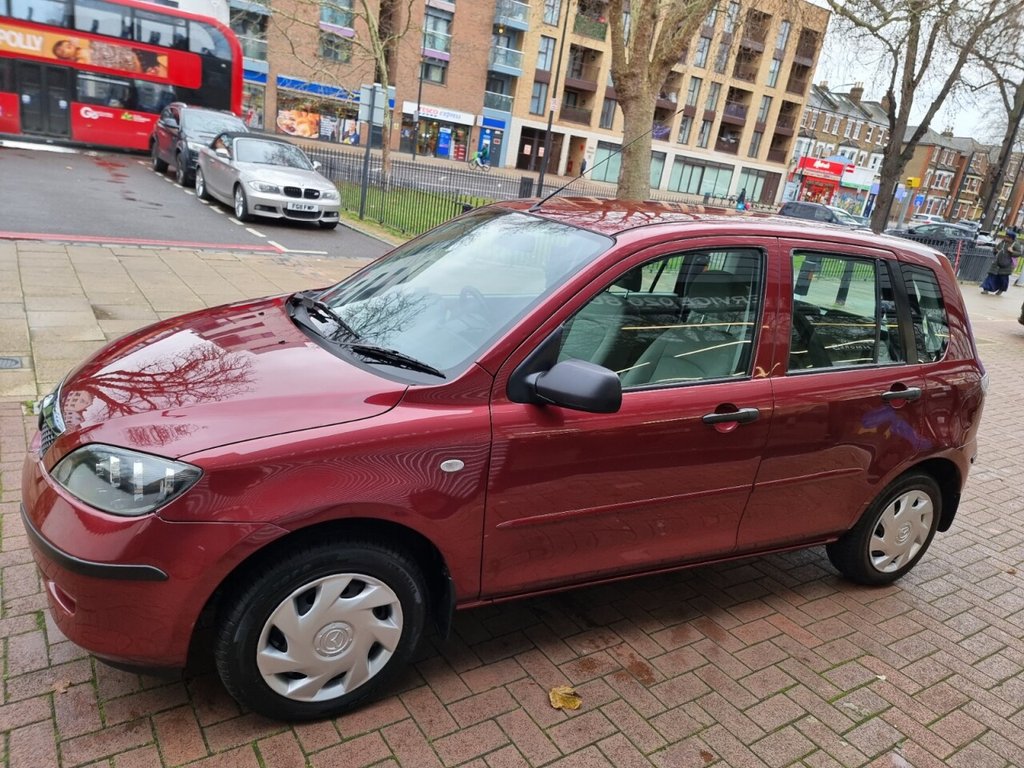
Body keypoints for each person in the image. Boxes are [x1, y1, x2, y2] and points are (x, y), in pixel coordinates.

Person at [980, 230, 1017, 296]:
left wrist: (1012, 252)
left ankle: (1001, 289)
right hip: (996, 263)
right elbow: (996, 249)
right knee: (991, 276)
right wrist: (995, 250)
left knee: (1003, 279)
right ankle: (986, 289)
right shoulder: (1002, 243)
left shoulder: (1016, 245)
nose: (1005, 238)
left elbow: (1019, 253)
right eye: (1005, 236)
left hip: (1006, 265)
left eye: (1007, 237)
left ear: (1011, 238)